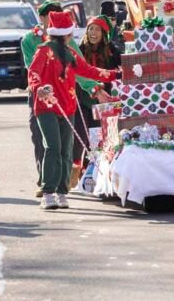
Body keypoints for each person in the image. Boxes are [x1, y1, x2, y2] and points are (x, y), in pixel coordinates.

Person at [28, 11, 117, 209]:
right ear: (67, 34)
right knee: (53, 147)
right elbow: (33, 73)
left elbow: (89, 71)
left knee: (66, 151)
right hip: (46, 106)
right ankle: (48, 192)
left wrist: (116, 74)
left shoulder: (71, 53)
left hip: (68, 107)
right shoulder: (43, 51)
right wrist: (39, 88)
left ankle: (61, 192)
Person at [74, 16, 122, 175]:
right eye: (90, 29)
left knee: (98, 138)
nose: (93, 33)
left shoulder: (112, 52)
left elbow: (121, 71)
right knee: (80, 137)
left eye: (97, 30)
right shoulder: (79, 49)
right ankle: (79, 171)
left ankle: (95, 171)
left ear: (104, 33)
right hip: (82, 99)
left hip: (104, 101)